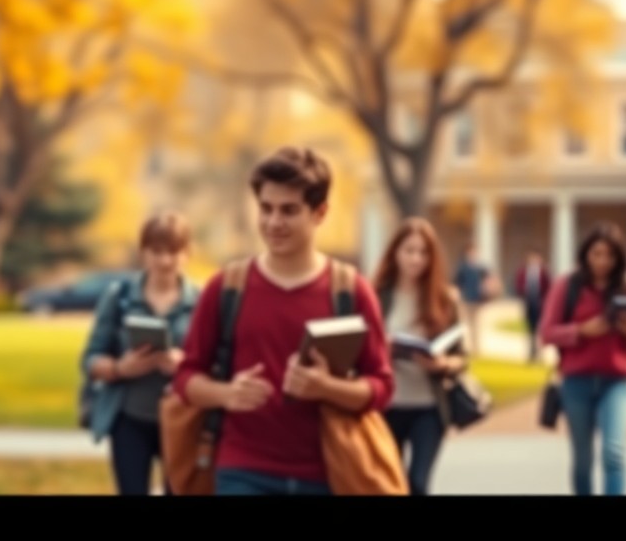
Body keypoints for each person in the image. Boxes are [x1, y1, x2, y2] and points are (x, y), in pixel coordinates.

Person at [170, 146, 395, 496]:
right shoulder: (226, 287)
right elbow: (186, 376)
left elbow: (380, 388)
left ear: (320, 213)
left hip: (328, 472)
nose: (274, 223)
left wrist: (325, 388)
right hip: (241, 469)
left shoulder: (351, 292)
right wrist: (226, 393)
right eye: (266, 208)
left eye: (289, 211)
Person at [82, 212, 198, 495]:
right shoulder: (119, 296)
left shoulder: (202, 301)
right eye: (156, 251)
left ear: (187, 253)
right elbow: (89, 359)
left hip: (182, 421)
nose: (164, 261)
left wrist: (184, 365)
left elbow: (217, 364)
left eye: (173, 251)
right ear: (142, 252)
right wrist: (121, 368)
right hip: (129, 419)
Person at [539, 222, 626, 496]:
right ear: (586, 254)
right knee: (582, 460)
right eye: (596, 254)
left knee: (614, 453)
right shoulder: (567, 286)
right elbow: (546, 332)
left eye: (610, 255)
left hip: (618, 382)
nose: (602, 261)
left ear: (619, 257)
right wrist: (580, 331)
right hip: (576, 382)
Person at [372, 217, 469, 496]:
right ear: (395, 253)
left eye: (423, 252)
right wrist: (382, 352)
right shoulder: (377, 296)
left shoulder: (445, 299)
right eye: (409, 250)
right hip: (388, 406)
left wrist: (442, 364)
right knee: (390, 484)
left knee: (418, 484)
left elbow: (462, 356)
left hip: (429, 407)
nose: (416, 258)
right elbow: (358, 350)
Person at [514, 248, 551, 363]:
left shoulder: (544, 272)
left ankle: (540, 352)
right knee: (530, 329)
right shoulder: (523, 271)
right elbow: (518, 284)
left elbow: (549, 287)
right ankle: (531, 352)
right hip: (529, 303)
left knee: (540, 329)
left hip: (540, 303)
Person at [453, 244, 491, 353]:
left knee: (476, 325)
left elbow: (488, 280)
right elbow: (457, 282)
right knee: (465, 324)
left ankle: (476, 348)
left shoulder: (479, 268)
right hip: (466, 300)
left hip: (476, 300)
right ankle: (465, 346)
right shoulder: (462, 267)